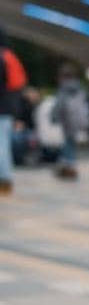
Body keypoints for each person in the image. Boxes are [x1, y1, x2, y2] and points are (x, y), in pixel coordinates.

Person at [0, 26, 27, 195]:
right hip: (8, 109)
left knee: (1, 146)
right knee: (4, 145)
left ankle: (5, 180)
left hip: (1, 109)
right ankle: (6, 179)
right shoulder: (9, 57)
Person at [52, 63, 89, 180]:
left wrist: (54, 117)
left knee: (67, 144)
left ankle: (68, 167)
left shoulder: (63, 88)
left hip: (66, 120)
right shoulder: (79, 87)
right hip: (77, 120)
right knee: (71, 143)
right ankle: (71, 166)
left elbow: (59, 105)